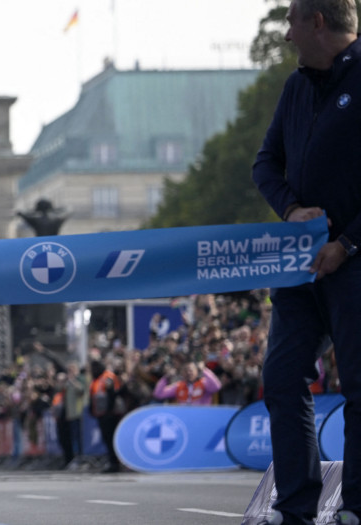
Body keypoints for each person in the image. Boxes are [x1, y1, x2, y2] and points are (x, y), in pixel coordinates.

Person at [251, 1, 361, 523]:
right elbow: (265, 162)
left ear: (318, 21)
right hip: (300, 267)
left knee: (359, 384)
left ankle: (357, 508)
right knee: (281, 376)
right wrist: (290, 208)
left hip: (355, 263)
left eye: (292, 22)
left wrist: (349, 242)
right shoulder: (297, 87)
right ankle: (294, 504)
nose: (288, 35)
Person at [152, 361, 222, 405]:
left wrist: (204, 370)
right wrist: (166, 378)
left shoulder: (204, 383)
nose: (188, 373)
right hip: (184, 419)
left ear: (197, 372)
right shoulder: (178, 386)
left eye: (191, 370)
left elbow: (217, 387)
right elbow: (158, 394)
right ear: (182, 373)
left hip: (202, 418)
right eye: (185, 371)